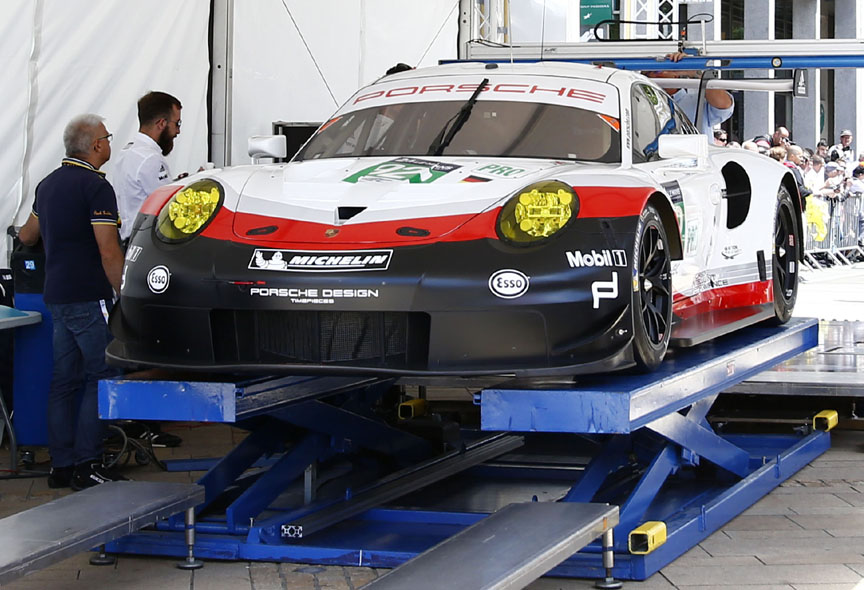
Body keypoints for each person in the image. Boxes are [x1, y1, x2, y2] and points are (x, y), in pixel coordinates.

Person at [17, 114, 127, 490]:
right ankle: (87, 464)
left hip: (56, 295)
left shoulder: (47, 185)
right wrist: (124, 296)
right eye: (108, 137)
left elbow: (28, 235)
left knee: (63, 382)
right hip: (88, 293)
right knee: (103, 375)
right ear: (96, 145)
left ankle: (60, 467)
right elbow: (108, 250)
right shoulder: (96, 188)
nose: (110, 143)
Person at [112, 91, 183, 245]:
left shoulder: (126, 152)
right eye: (177, 123)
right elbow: (170, 205)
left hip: (126, 238)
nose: (178, 131)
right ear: (161, 123)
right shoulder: (151, 159)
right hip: (145, 243)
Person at [646, 53, 734, 138]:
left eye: (656, 70)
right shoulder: (642, 105)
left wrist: (694, 71)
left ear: (675, 75)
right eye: (645, 74)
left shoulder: (698, 101)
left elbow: (724, 105)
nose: (649, 77)